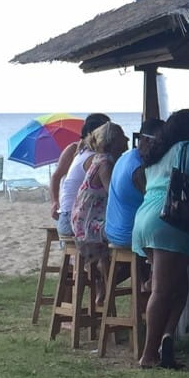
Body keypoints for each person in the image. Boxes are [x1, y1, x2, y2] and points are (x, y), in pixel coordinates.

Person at [131, 109, 189, 369]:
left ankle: (167, 339)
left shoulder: (157, 152)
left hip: (147, 216)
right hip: (169, 218)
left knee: (179, 286)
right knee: (162, 290)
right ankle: (149, 355)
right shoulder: (188, 149)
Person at [71, 122, 129, 304]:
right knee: (132, 243)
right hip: (90, 226)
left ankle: (104, 281)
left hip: (83, 222)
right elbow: (115, 195)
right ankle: (106, 285)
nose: (127, 140)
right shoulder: (105, 164)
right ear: (112, 143)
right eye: (122, 137)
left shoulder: (98, 159)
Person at [105, 119, 165, 249]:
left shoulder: (125, 157)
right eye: (162, 142)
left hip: (112, 231)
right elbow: (154, 204)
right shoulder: (138, 169)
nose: (165, 148)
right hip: (127, 235)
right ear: (147, 140)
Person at [50, 113, 110, 235]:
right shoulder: (86, 154)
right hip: (71, 217)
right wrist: (55, 202)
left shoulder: (83, 153)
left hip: (74, 214)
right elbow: (56, 177)